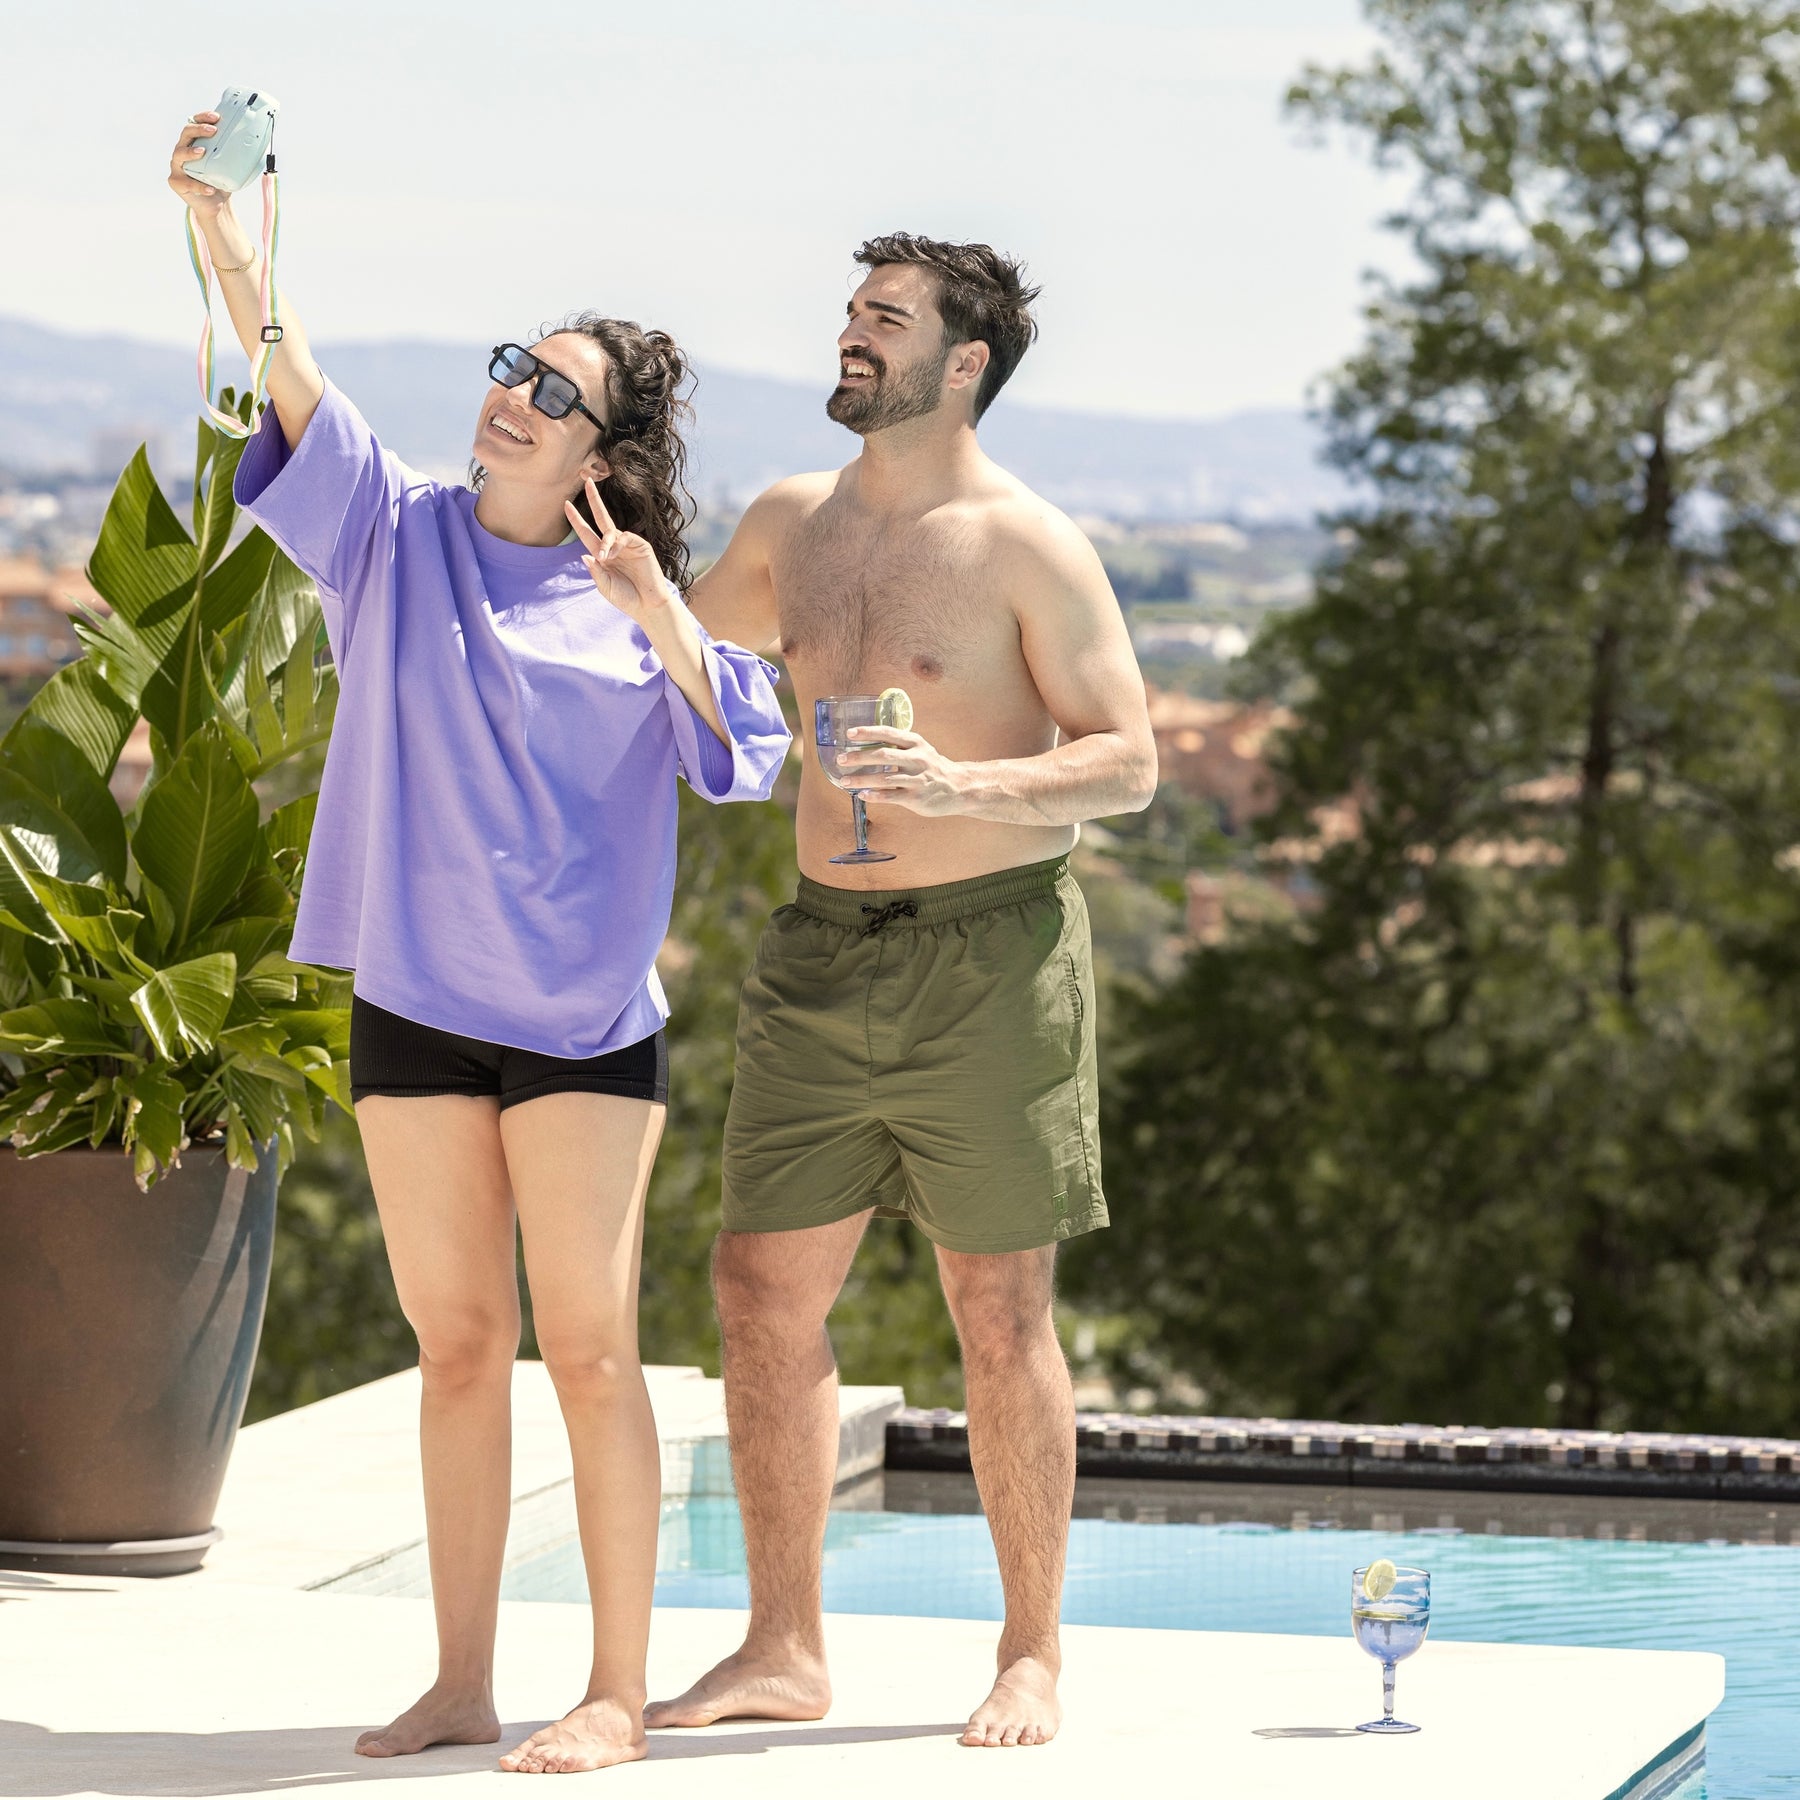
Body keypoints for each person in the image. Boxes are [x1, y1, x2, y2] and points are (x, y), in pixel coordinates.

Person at [168, 112, 790, 1775]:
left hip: (584, 1027)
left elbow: (743, 755)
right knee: (456, 1346)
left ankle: (612, 1689)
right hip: (418, 1008)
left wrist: (664, 613)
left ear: (601, 448)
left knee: (587, 1346)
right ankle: (456, 1680)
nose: (510, 389)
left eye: (553, 387)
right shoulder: (395, 530)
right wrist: (232, 231)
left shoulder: (641, 600)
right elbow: (286, 365)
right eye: (515, 362)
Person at [645, 233, 1158, 1749]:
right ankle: (783, 1646)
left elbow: (1127, 760)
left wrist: (958, 777)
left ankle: (1032, 1652)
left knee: (996, 1310)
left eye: (889, 321)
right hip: (819, 954)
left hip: (990, 954)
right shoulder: (791, 525)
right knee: (756, 1292)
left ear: (965, 364)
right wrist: (611, 587)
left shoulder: (1028, 545)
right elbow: (681, 639)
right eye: (854, 314)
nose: (855, 337)